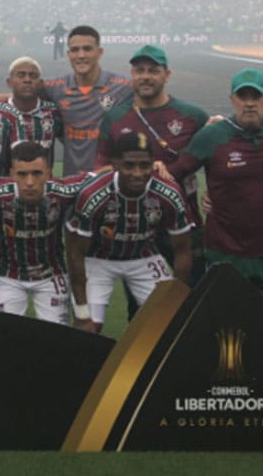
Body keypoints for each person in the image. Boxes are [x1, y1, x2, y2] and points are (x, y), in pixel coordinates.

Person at [170, 68, 263, 307]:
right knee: (224, 319)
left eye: (256, 96)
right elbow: (177, 173)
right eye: (242, 96)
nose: (249, 103)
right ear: (232, 100)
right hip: (225, 251)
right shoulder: (213, 136)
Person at [96, 45, 209, 289]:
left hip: (185, 220)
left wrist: (214, 195)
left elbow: (217, 154)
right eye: (140, 70)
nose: (146, 76)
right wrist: (142, 168)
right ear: (132, 74)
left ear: (167, 75)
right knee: (141, 303)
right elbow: (100, 171)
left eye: (153, 70)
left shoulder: (193, 116)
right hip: (135, 225)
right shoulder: (115, 118)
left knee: (194, 292)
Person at [67, 132, 194, 333]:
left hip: (144, 257)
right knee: (89, 328)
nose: (137, 173)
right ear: (115, 164)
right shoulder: (93, 194)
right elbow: (76, 254)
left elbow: (183, 250)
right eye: (129, 166)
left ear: (153, 163)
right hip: (98, 259)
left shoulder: (169, 193)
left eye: (144, 165)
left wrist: (172, 303)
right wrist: (82, 314)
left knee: (164, 327)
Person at [0, 142, 84, 324]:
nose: (29, 182)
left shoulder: (62, 191)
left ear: (48, 173)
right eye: (22, 174)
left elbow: (101, 177)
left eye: (37, 173)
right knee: (3, 332)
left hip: (51, 275)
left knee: (57, 333)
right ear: (12, 175)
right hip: (6, 275)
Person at [41, 25, 133, 176]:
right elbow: (22, 94)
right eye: (75, 50)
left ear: (99, 52)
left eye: (87, 49)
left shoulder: (123, 86)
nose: (81, 55)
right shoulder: (56, 87)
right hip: (71, 181)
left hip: (107, 181)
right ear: (69, 54)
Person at [0, 56, 62, 170]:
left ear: (40, 83)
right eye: (21, 75)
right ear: (9, 82)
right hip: (6, 181)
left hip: (44, 181)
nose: (27, 80)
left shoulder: (53, 112)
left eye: (33, 76)